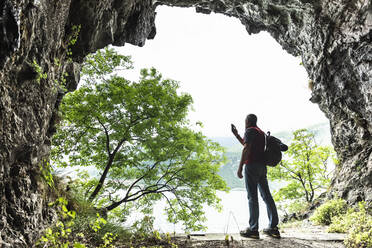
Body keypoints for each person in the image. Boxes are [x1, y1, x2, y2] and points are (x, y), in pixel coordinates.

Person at [231, 114, 280, 239]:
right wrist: (236, 135)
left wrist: (240, 167)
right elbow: (246, 143)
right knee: (266, 196)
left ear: (247, 121)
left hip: (252, 166)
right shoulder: (261, 133)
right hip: (262, 167)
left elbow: (246, 148)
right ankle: (273, 228)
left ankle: (253, 230)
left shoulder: (249, 131)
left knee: (252, 197)